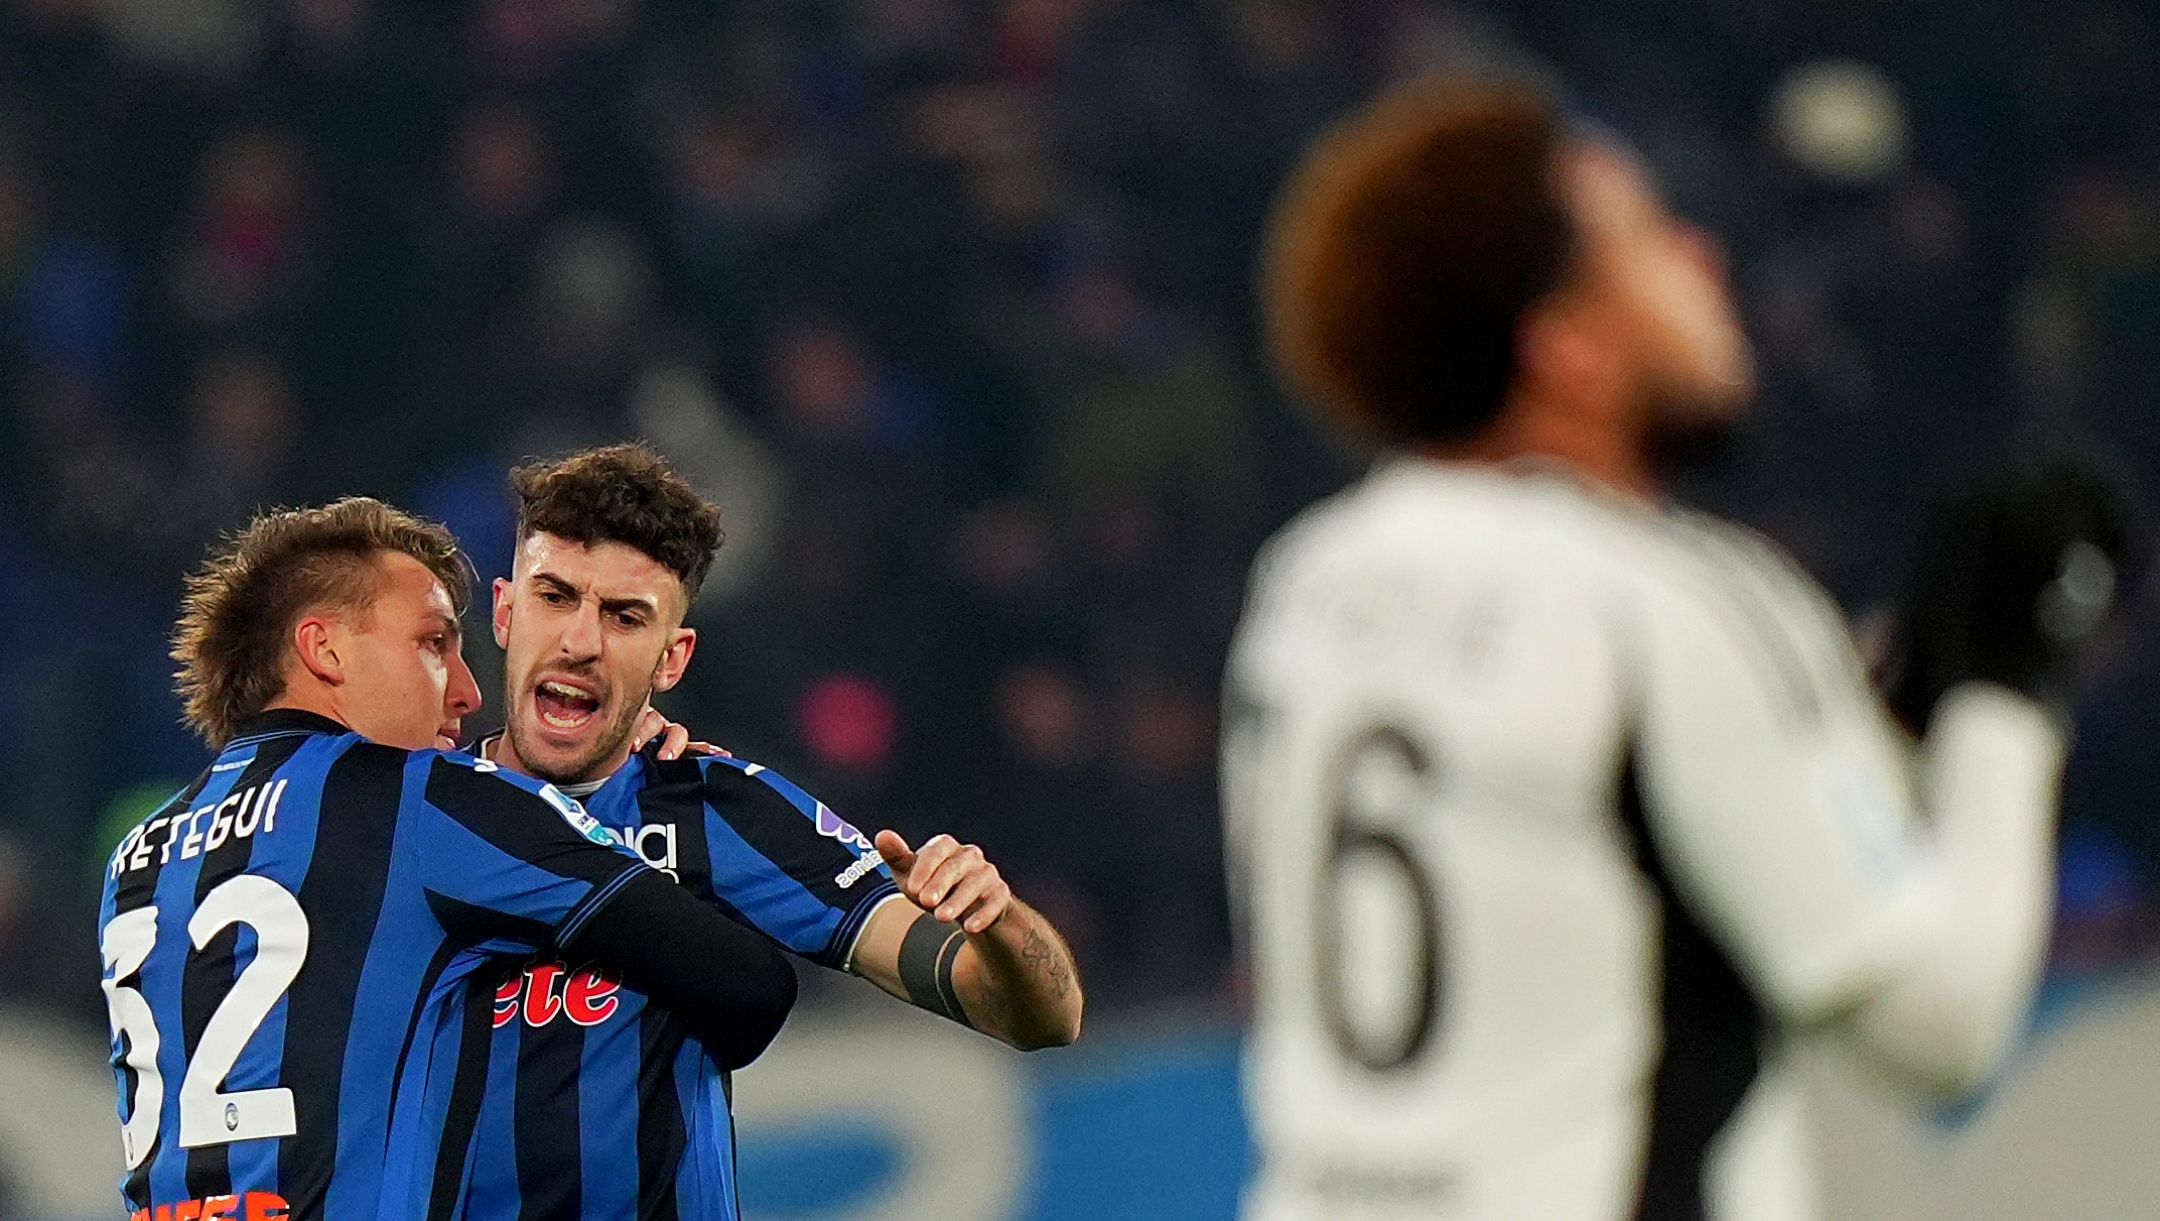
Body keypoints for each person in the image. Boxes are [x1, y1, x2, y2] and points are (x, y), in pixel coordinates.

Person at [1220, 76, 2134, 1221]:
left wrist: (1886, 717)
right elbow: (1941, 1031)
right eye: (1648, 239)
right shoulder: (1676, 600)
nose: (1701, 257)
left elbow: (1623, 858)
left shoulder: (1308, 581)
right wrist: (2007, 694)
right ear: (1567, 351)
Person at [416, 443, 1082, 1221]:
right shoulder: (409, 819)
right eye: (556, 597)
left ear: (672, 658)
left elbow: (1044, 1014)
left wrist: (997, 921)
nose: (581, 641)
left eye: (626, 617)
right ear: (503, 611)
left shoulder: (714, 810)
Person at [96, 498, 799, 1221]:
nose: (466, 690)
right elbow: (747, 984)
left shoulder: (136, 857)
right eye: (434, 644)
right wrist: (632, 783)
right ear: (324, 649)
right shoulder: (420, 800)